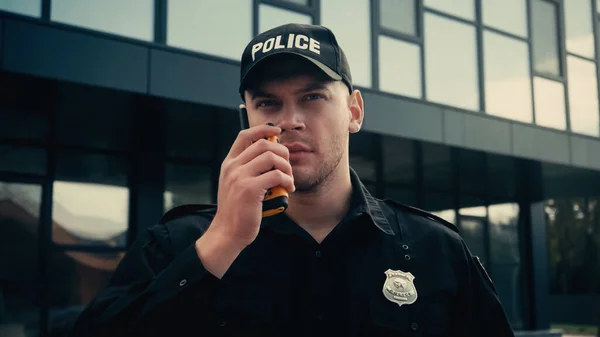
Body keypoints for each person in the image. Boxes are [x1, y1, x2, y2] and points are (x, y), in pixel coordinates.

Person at [68, 23, 515, 337]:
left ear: (354, 111)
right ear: (246, 117)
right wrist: (220, 242)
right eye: (268, 103)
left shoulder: (434, 250)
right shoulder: (176, 245)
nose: (291, 121)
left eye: (313, 97)